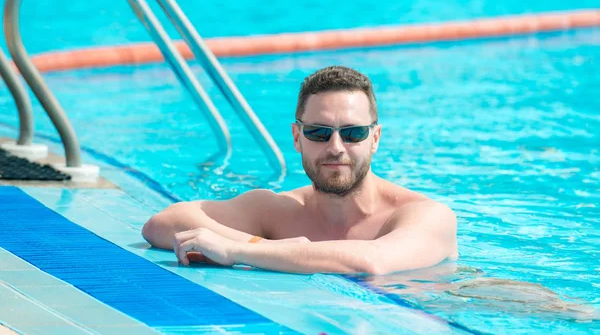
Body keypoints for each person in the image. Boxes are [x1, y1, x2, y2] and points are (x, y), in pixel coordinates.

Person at [142, 65, 458, 274]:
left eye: (353, 134)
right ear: (297, 137)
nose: (335, 147)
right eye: (319, 133)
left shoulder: (426, 215)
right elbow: (165, 222)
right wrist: (262, 246)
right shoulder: (279, 211)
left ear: (374, 139)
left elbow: (371, 262)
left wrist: (236, 251)